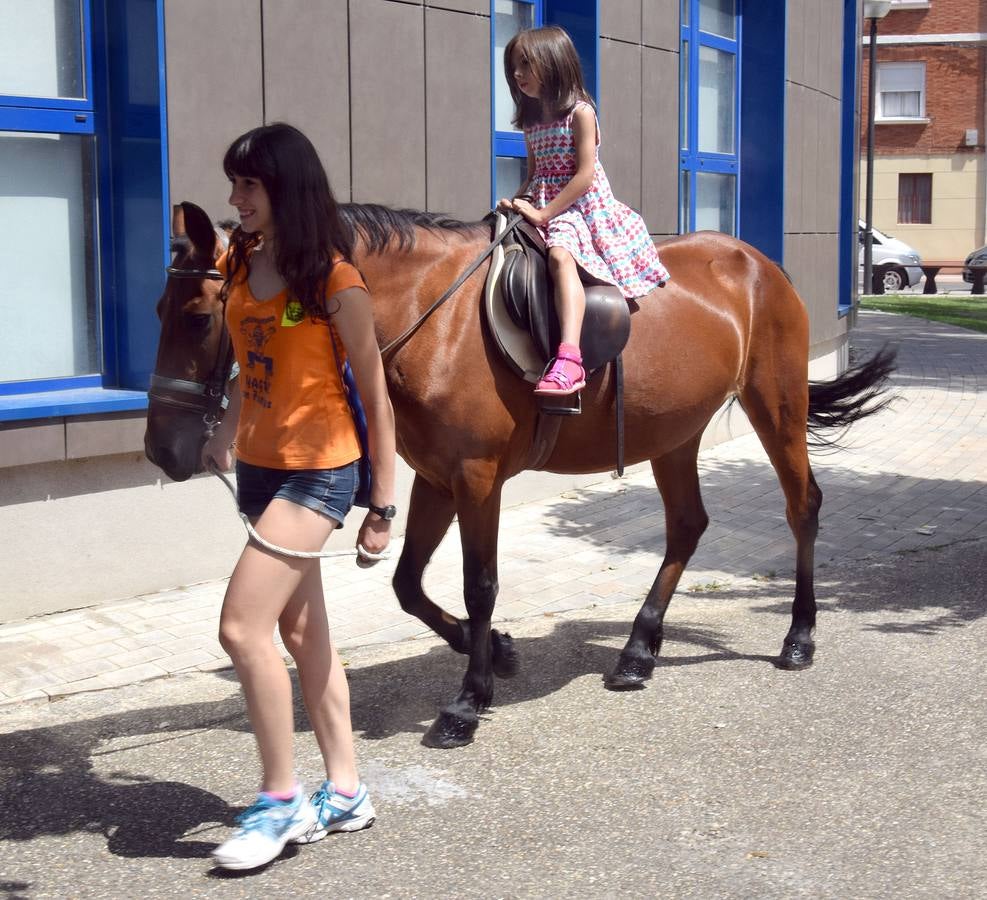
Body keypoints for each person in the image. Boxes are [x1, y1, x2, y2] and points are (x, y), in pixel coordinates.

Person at [200, 123, 396, 871]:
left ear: (284, 186)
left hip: (321, 470)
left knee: (241, 628)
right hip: (258, 466)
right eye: (234, 185)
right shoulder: (244, 263)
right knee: (303, 634)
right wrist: (224, 427)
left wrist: (381, 505)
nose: (235, 199)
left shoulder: (334, 281)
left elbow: (375, 396)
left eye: (247, 185)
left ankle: (279, 802)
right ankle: (344, 791)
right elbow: (242, 361)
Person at [498, 25, 669, 400]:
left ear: (554, 62)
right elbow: (534, 174)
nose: (517, 74)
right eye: (514, 66)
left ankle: (570, 356)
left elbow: (584, 175)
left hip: (579, 205)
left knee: (560, 256)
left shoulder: (580, 113)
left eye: (526, 64)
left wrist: (543, 216)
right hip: (544, 198)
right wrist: (516, 201)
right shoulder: (530, 121)